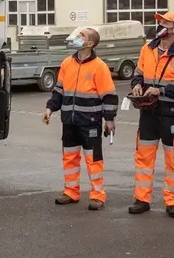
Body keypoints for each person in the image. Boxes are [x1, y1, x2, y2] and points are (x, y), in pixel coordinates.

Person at [128, 11, 174, 218]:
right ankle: (142, 199)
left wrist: (162, 91)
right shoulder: (146, 49)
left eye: (166, 23)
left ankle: (172, 202)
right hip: (148, 113)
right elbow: (137, 75)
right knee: (143, 158)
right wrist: (137, 86)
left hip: (172, 115)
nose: (160, 25)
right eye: (160, 22)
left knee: (172, 160)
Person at [43, 27, 118, 210]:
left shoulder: (99, 66)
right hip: (69, 121)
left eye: (81, 35)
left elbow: (108, 96)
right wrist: (50, 108)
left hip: (90, 122)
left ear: (90, 43)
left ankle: (97, 195)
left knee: (94, 160)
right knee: (69, 158)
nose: (76, 37)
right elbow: (59, 90)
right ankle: (71, 191)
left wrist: (109, 120)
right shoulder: (67, 63)